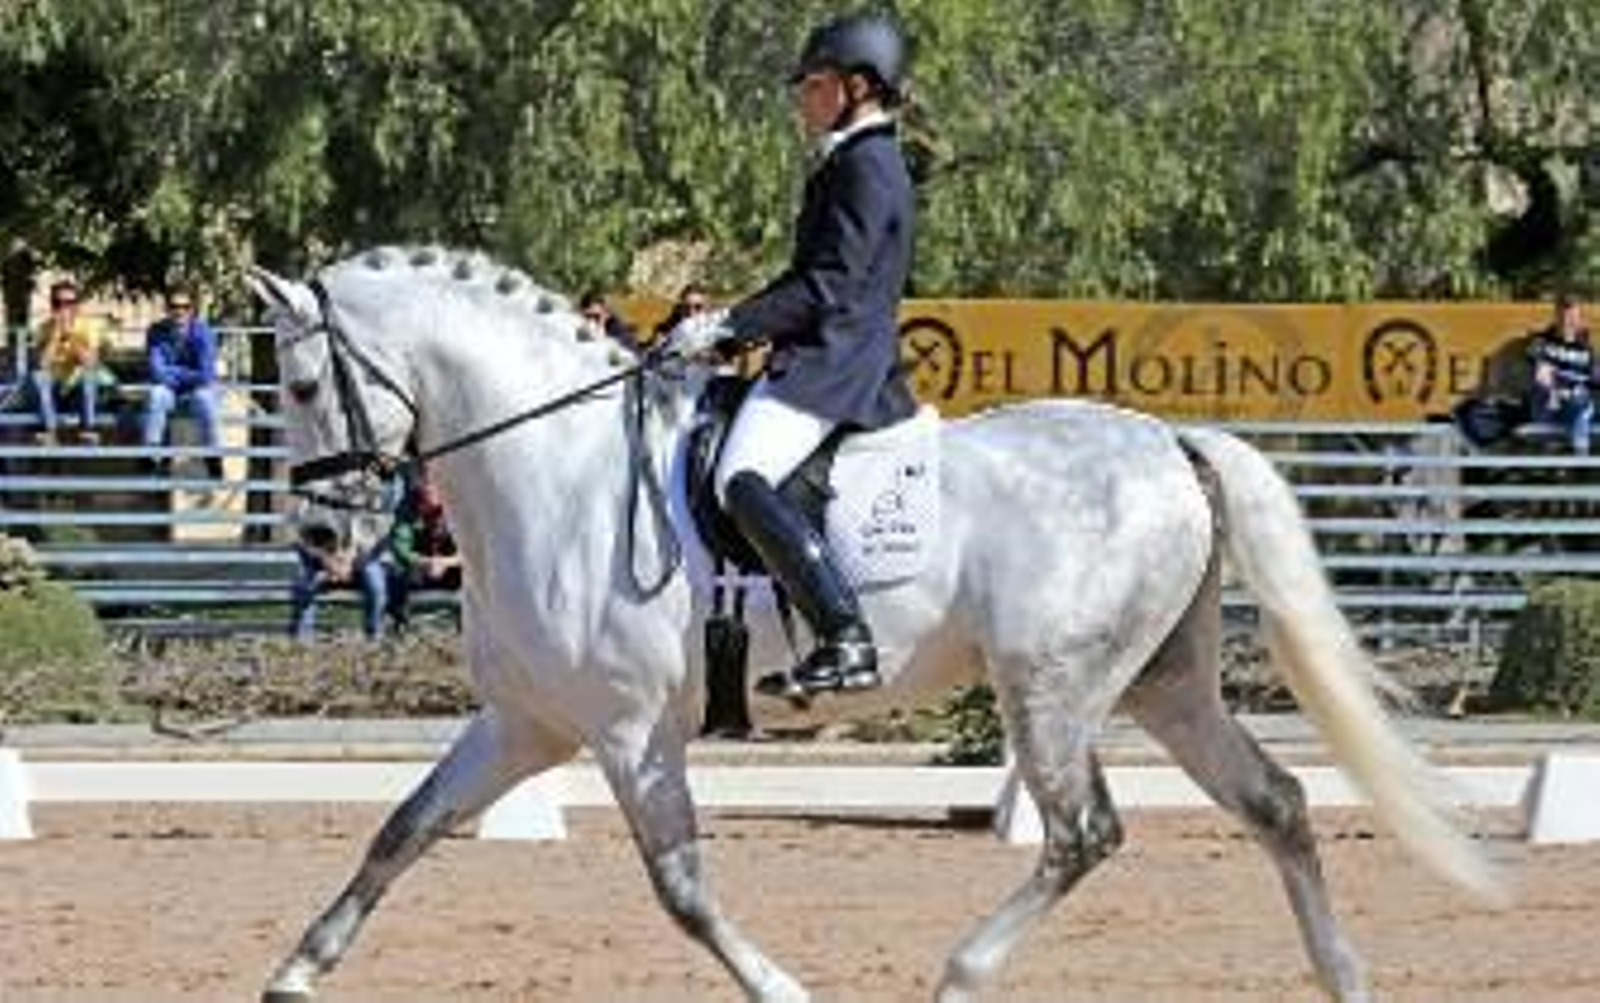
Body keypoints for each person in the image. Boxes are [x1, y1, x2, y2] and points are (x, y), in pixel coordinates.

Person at [666, 13, 918, 696]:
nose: (803, 96)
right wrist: (725, 323)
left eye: (815, 83)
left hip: (834, 362)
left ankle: (845, 635)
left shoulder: (868, 166)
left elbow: (828, 284)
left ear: (858, 86)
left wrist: (730, 327)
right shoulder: (853, 160)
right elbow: (804, 276)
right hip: (820, 349)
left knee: (739, 474)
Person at [142, 286, 223, 477]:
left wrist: (174, 372)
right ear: (167, 309)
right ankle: (152, 457)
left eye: (184, 306)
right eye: (174, 306)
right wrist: (188, 374)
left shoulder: (204, 332)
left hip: (196, 391)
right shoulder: (155, 331)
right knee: (156, 394)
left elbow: (206, 375)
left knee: (205, 399)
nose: (179, 311)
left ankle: (213, 455)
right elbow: (156, 371)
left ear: (192, 309)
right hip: (169, 390)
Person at [29, 279, 116, 444]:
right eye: (58, 303)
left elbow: (90, 362)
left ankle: (88, 428)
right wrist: (56, 335)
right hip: (54, 393)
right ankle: (50, 431)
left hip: (82, 392)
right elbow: (42, 365)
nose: (64, 307)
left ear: (78, 305)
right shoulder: (44, 328)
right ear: (52, 305)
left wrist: (71, 336)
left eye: (70, 302)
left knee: (88, 375)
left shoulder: (90, 326)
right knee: (38, 377)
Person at [289, 505, 392, 642]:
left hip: (361, 564)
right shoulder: (313, 511)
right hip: (322, 566)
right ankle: (301, 638)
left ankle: (374, 636)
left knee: (376, 584)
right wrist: (326, 562)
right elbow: (300, 543)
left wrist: (352, 564)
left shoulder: (369, 509)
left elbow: (379, 544)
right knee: (304, 584)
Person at [385, 466, 462, 632]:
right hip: (421, 567)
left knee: (474, 573)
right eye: (425, 488)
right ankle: (400, 626)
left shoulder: (459, 507)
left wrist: (446, 562)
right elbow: (399, 547)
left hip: (453, 567)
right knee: (395, 573)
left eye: (434, 487)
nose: (429, 492)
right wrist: (426, 563)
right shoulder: (408, 507)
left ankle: (469, 625)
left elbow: (472, 550)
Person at [1526, 293, 1594, 454]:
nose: (1566, 321)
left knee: (1582, 403)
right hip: (1547, 404)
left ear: (1578, 319)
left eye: (1571, 316)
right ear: (1556, 316)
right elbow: (1540, 375)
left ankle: (1581, 460)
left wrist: (1576, 389)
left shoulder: (1586, 348)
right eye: (1562, 315)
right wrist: (1560, 389)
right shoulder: (1541, 341)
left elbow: (1593, 379)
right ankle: (1581, 459)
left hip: (1575, 404)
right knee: (1577, 401)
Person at [578, 289, 643, 355]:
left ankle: (638, 347)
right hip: (610, 328)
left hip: (613, 325)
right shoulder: (590, 315)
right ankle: (637, 347)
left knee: (626, 334)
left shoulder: (599, 308)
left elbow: (607, 315)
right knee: (623, 335)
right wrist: (601, 321)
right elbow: (597, 331)